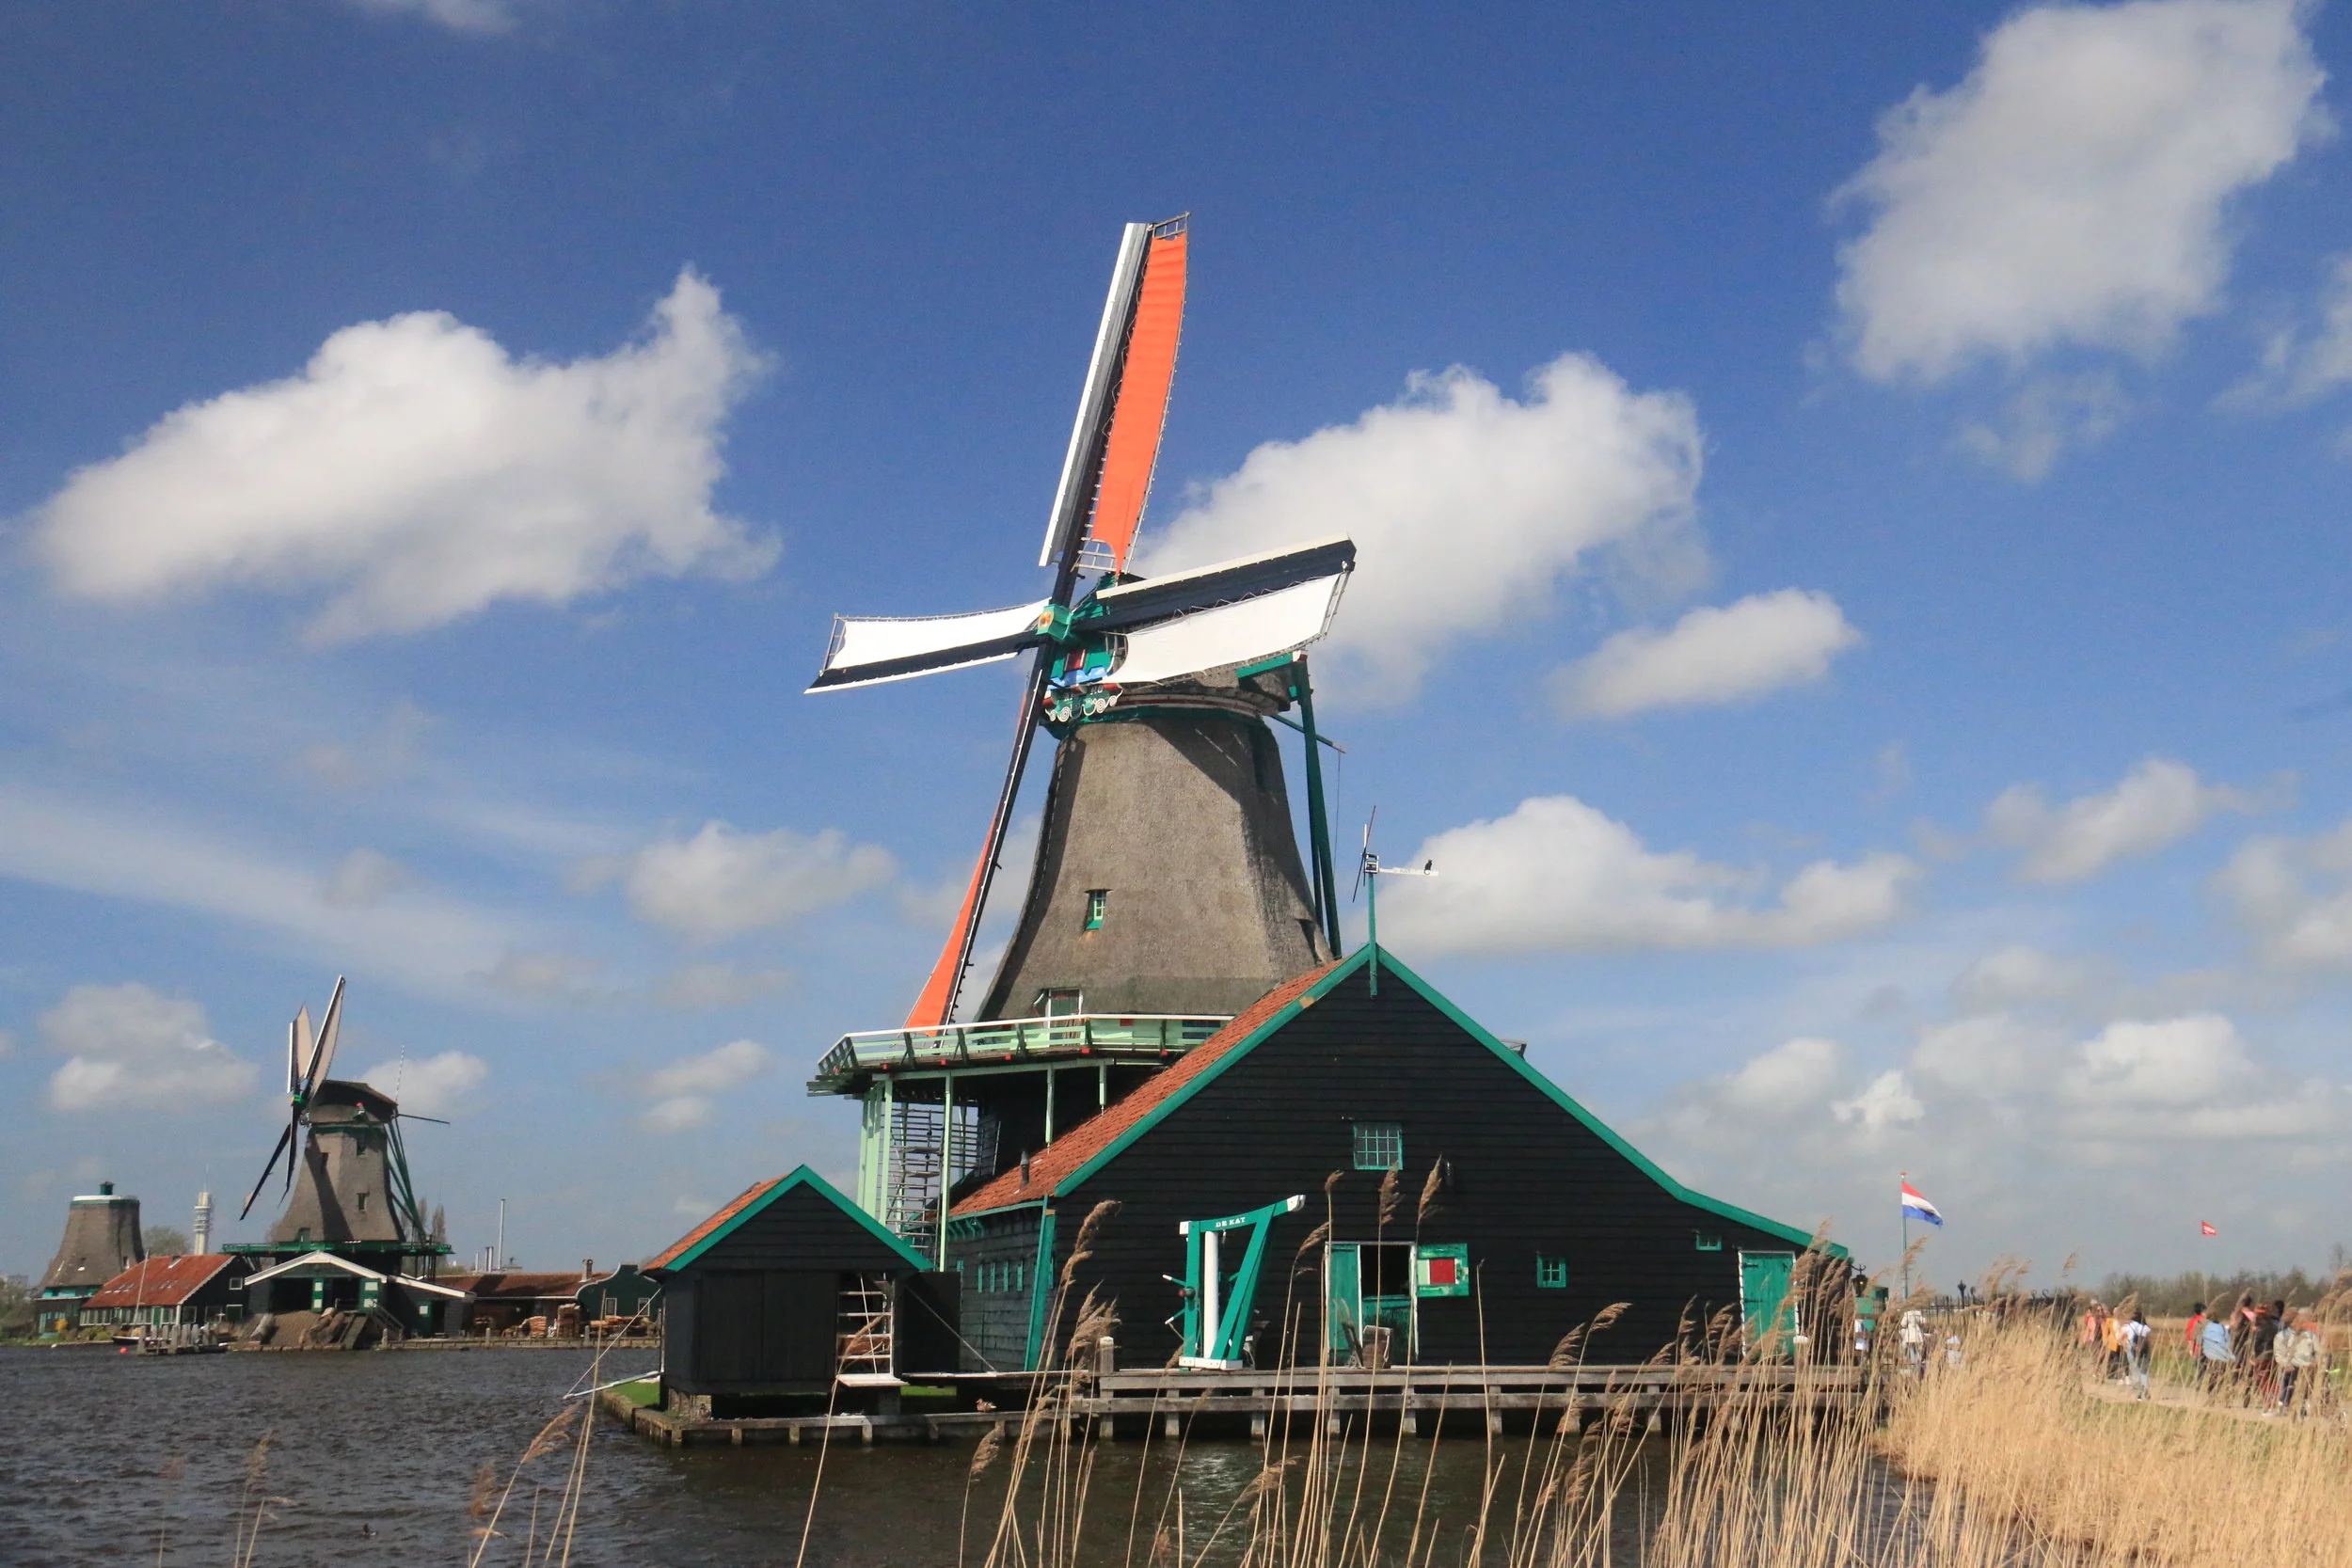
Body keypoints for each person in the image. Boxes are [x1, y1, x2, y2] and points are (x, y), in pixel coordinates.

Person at [2276, 1311, 2323, 1415]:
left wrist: (2316, 1362)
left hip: (2308, 1367)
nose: (2300, 1324)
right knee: (2288, 1386)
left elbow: (2318, 1351)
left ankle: (2304, 1406)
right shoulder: (2282, 1336)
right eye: (2297, 1321)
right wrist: (2286, 1365)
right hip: (2291, 1367)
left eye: (2300, 1321)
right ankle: (2285, 1406)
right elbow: (2279, 1353)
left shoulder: (2311, 1335)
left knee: (2306, 1388)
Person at [2200, 1312, 2236, 1392]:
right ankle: (2217, 1390)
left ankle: (2210, 1389)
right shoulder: (2222, 1328)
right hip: (2220, 1353)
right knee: (2220, 1373)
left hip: (2209, 1353)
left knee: (2212, 1373)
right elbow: (2228, 1341)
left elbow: (2200, 1341)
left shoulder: (2205, 1328)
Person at [2121, 1309, 2153, 1401]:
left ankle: (2139, 1394)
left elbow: (2120, 1337)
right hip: (2145, 1349)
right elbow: (2149, 1335)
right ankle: (2145, 1388)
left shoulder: (2126, 1326)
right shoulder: (2144, 1327)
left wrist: (2125, 1344)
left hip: (2131, 1348)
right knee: (2144, 1371)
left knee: (2135, 1371)